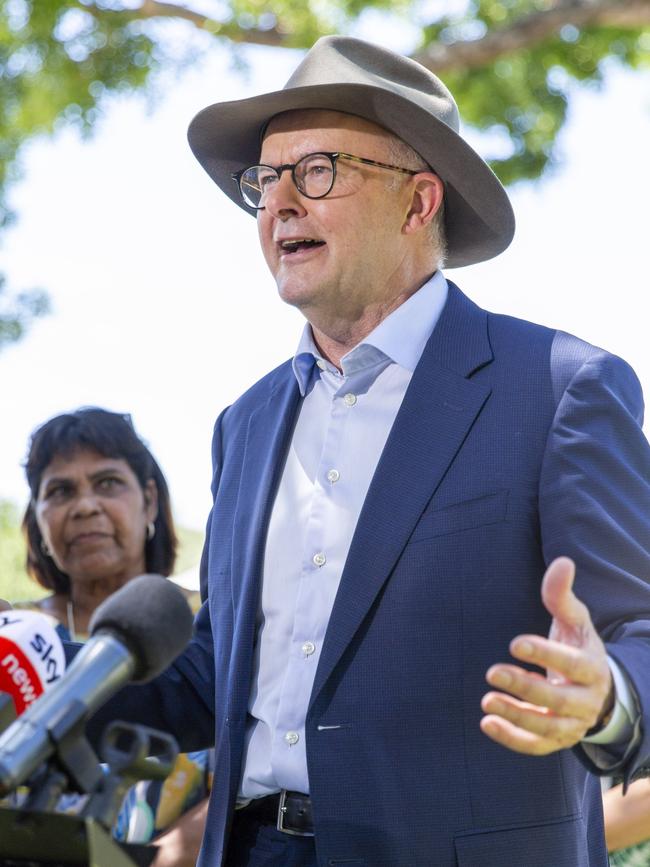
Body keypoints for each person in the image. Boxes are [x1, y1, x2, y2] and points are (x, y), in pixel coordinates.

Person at [78, 36, 650, 867]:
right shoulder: (245, 421)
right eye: (265, 180)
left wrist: (606, 700)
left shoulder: (561, 388)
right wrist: (67, 684)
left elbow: (641, 629)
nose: (278, 204)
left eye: (316, 172)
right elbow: (218, 674)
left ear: (419, 203)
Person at [20, 407, 210, 867]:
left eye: (107, 483)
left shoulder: (213, 626)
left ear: (148, 501)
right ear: (40, 522)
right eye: (60, 490)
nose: (85, 506)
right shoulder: (18, 635)